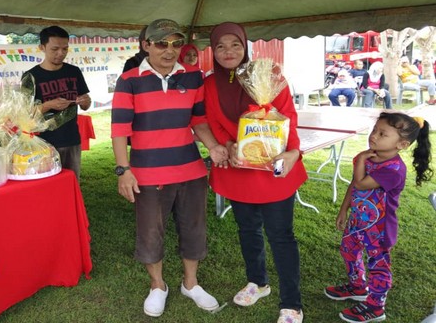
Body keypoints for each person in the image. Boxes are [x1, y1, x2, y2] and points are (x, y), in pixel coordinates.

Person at [111, 18, 229, 318]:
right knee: (150, 232)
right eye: (162, 43)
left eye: (176, 44)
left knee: (194, 228)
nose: (170, 50)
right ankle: (157, 285)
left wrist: (213, 146)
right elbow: (119, 129)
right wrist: (123, 170)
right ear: (146, 45)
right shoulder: (129, 80)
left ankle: (191, 283)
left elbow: (198, 120)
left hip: (190, 170)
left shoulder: (193, 77)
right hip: (148, 173)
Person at [204, 22, 307, 323]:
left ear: (245, 46)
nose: (228, 52)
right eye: (220, 46)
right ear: (213, 51)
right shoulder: (210, 84)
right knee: (247, 230)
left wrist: (293, 152)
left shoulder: (267, 74)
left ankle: (291, 303)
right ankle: (257, 282)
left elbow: (287, 116)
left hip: (274, 168)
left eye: (235, 44)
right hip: (238, 169)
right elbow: (212, 120)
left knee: (281, 235)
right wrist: (229, 145)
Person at [325, 112, 432, 323]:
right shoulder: (369, 157)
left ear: (402, 144)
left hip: (379, 229)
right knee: (348, 250)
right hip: (357, 221)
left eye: (382, 134)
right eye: (375, 130)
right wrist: (344, 210)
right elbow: (353, 185)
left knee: (378, 265)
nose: (374, 136)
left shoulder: (394, 169)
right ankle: (357, 286)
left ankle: (376, 306)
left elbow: (361, 183)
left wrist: (361, 160)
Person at [22, 25, 91, 179]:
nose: (61, 53)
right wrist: (48, 105)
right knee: (48, 184)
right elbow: (24, 114)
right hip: (43, 143)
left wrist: (85, 101)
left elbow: (86, 105)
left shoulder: (74, 71)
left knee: (71, 182)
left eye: (65, 49)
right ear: (42, 47)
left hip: (71, 140)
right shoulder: (31, 77)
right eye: (55, 49)